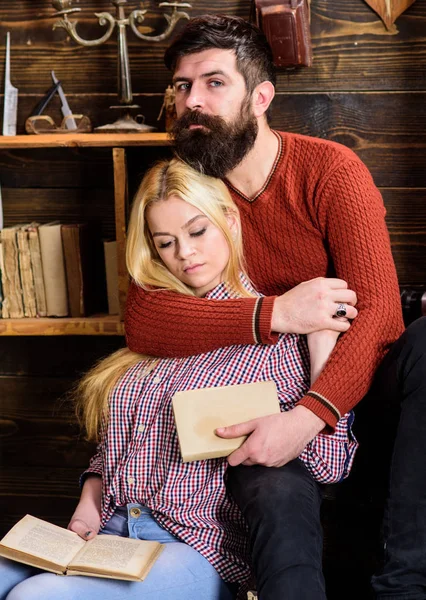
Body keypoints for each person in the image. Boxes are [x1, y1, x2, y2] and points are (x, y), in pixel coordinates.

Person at [123, 14, 426, 600]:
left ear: (261, 96)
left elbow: (383, 315)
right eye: (183, 87)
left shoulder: (329, 171)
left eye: (214, 83)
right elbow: (146, 318)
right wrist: (276, 314)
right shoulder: (180, 186)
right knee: (270, 487)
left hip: (345, 384)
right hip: (252, 399)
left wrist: (310, 415)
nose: (192, 102)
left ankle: (404, 588)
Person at [0, 159, 358, 600]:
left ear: (229, 220)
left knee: (34, 597)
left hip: (196, 549)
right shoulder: (156, 329)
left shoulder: (281, 334)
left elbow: (329, 465)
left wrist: (323, 350)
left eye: (197, 231)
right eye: (165, 242)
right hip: (109, 535)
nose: (184, 254)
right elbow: (116, 446)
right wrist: (88, 504)